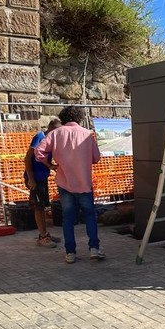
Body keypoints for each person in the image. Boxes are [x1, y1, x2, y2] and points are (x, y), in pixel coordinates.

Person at [34, 106, 103, 264]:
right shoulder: (87, 134)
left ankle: (70, 253)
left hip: (64, 183)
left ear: (63, 118)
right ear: (78, 118)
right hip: (84, 182)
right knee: (90, 216)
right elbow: (96, 158)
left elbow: (39, 152)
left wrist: (49, 164)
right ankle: (94, 249)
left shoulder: (55, 133)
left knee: (68, 218)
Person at [24, 118, 61, 247]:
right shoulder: (40, 137)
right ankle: (43, 236)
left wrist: (51, 166)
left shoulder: (52, 141)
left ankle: (44, 233)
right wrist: (31, 178)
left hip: (42, 177)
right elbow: (28, 158)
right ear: (50, 129)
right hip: (35, 178)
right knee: (38, 207)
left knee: (43, 206)